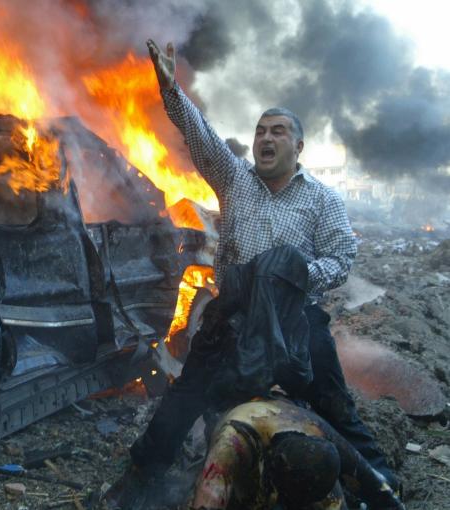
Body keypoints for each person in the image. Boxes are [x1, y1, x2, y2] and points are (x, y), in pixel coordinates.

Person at [130, 39, 399, 491]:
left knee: (335, 406)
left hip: (296, 322)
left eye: (277, 132)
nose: (266, 139)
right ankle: (141, 477)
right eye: (260, 132)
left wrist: (292, 277)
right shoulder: (234, 178)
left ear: (298, 145)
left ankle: (378, 483)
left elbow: (341, 256)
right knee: (182, 401)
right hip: (232, 317)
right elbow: (199, 134)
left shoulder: (322, 200)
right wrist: (170, 87)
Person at [190, 397, 404, 510]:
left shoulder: (318, 434)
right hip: (243, 413)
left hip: (290, 431)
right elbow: (209, 497)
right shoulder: (233, 441)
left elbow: (370, 480)